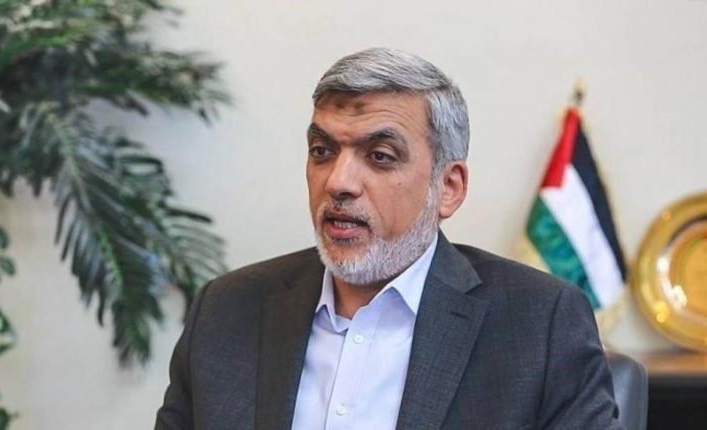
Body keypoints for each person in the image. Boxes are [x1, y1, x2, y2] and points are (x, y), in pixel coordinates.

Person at [155, 48, 622, 430]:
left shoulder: (538, 323)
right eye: (322, 151)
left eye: (379, 156)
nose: (338, 182)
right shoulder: (227, 310)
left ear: (448, 188)